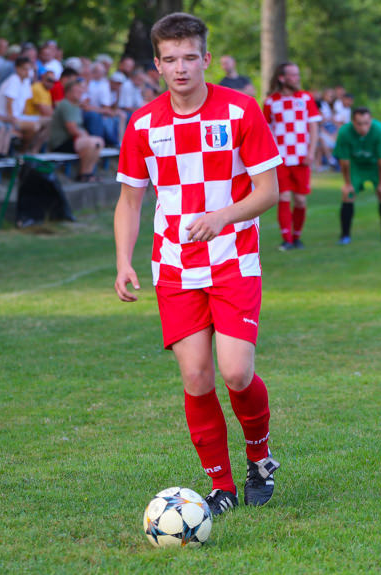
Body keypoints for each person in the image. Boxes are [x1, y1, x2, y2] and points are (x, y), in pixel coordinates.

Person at [114, 12, 282, 516]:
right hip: (174, 267)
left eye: (190, 57)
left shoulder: (240, 111)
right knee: (197, 379)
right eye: (170, 60)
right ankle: (222, 487)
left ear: (206, 59)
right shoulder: (143, 124)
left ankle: (260, 459)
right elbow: (129, 201)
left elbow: (269, 191)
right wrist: (123, 261)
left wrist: (223, 216)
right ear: (158, 66)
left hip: (234, 261)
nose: (181, 68)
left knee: (235, 372)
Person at [264, 62, 321, 250]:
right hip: (280, 159)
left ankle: (297, 237)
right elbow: (266, 130)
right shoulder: (271, 101)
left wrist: (311, 152)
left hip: (301, 157)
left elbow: (313, 127)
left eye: (297, 75)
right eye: (293, 75)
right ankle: (287, 240)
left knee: (300, 200)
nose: (297, 78)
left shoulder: (305, 98)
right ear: (282, 78)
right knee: (284, 197)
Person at [333, 106, 381, 245]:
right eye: (359, 123)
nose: (363, 127)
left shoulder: (379, 130)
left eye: (367, 123)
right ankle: (345, 236)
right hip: (356, 166)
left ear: (371, 120)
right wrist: (348, 184)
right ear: (353, 122)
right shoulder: (344, 132)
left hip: (375, 166)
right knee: (348, 195)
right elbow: (344, 162)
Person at [48, 78, 104, 181]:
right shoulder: (65, 104)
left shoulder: (75, 106)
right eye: (77, 91)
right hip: (61, 142)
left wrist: (87, 137)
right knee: (91, 143)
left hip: (73, 140)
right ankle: (82, 174)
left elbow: (79, 129)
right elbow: (72, 130)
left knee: (98, 142)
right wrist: (86, 137)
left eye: (81, 91)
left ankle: (89, 173)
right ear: (69, 92)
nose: (80, 93)